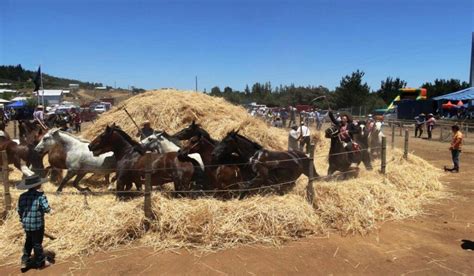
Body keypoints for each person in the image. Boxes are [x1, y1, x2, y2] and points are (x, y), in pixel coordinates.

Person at [17, 175, 52, 270]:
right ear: (37, 186)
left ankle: (24, 260)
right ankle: (41, 262)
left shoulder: (22, 196)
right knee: (37, 243)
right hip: (37, 224)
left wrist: (22, 219)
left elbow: (19, 210)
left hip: (26, 224)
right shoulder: (40, 196)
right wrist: (51, 210)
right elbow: (47, 209)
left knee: (28, 241)